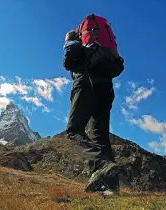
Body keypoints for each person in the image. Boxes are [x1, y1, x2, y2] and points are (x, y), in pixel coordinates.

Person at [63, 30, 119, 194]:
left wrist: (69, 45)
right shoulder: (100, 49)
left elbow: (67, 63)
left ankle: (101, 164)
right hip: (107, 89)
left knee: (74, 130)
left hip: (86, 82)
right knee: (100, 135)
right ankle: (111, 186)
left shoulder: (74, 43)